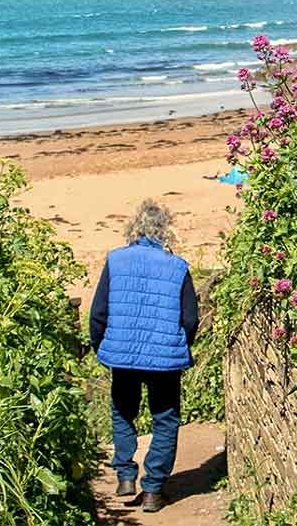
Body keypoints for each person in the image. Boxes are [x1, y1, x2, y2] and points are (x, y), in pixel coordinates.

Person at [89, 200, 199, 512]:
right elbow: (190, 317)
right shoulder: (178, 266)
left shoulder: (116, 260)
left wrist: (101, 345)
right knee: (165, 418)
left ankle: (125, 476)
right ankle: (152, 490)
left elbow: (98, 312)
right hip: (165, 357)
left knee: (123, 411)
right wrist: (179, 345)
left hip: (122, 355)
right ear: (165, 231)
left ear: (134, 229)